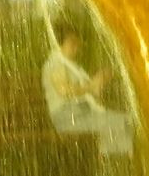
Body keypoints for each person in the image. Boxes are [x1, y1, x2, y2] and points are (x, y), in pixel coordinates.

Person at [41, 18, 136, 160]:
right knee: (120, 122)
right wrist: (91, 85)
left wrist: (102, 78)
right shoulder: (55, 64)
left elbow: (90, 91)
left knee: (124, 120)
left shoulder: (71, 66)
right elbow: (64, 91)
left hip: (80, 113)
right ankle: (113, 160)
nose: (76, 47)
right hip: (67, 117)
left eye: (77, 43)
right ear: (58, 43)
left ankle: (111, 159)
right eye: (72, 43)